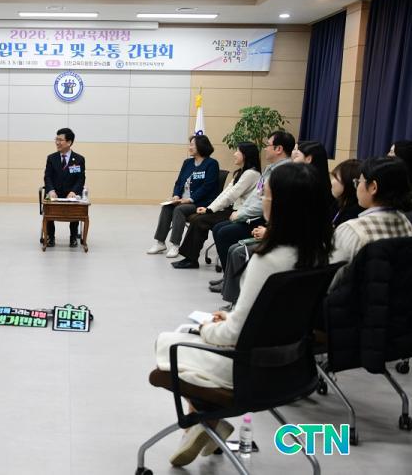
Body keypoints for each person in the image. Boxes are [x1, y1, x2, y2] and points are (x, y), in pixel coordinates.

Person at [155, 162, 332, 467]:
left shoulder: (268, 260)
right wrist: (235, 317)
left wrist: (208, 328)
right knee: (192, 336)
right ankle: (208, 423)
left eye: (267, 194)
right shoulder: (322, 253)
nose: (262, 198)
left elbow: (232, 336)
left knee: (171, 341)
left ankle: (202, 422)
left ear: (281, 204)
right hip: (294, 366)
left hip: (250, 369)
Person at [208, 131, 294, 272]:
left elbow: (264, 203)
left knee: (224, 233)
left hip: (266, 220)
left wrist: (241, 214)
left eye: (268, 145)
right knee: (219, 228)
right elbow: (256, 196)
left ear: (279, 149)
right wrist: (240, 212)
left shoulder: (285, 172)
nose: (265, 149)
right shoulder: (269, 169)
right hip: (255, 215)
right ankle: (228, 276)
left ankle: (233, 278)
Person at [172, 142, 261, 269]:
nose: (234, 154)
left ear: (246, 155)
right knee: (197, 218)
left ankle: (191, 260)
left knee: (199, 220)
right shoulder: (241, 172)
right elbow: (225, 193)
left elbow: (232, 196)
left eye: (237, 151)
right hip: (231, 209)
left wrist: (210, 210)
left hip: (239, 213)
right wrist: (210, 208)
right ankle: (190, 258)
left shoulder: (251, 174)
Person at [330, 157, 412, 286]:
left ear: (373, 187)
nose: (357, 187)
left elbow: (332, 280)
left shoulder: (352, 230)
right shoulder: (406, 223)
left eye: (359, 182)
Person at [147, 135, 220, 258]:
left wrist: (190, 199)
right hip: (182, 200)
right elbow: (179, 182)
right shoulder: (187, 163)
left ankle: (175, 245)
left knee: (179, 209)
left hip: (200, 203)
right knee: (167, 207)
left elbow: (208, 187)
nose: (189, 147)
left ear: (201, 146)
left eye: (192, 145)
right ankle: (160, 243)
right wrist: (176, 195)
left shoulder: (211, 164)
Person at [43, 127, 86, 247]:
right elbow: (47, 177)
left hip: (70, 193)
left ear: (69, 142)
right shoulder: (51, 158)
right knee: (49, 205)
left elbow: (80, 179)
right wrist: (51, 190)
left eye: (60, 140)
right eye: (56, 139)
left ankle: (73, 237)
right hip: (55, 193)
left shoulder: (79, 159)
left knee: (75, 204)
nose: (57, 142)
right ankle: (50, 237)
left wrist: (74, 191)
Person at [330, 159, 364, 227]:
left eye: (335, 178)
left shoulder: (353, 216)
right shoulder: (338, 203)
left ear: (348, 182)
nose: (331, 182)